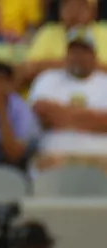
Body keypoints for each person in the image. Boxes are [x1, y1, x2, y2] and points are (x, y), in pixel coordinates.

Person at [29, 29, 107, 174]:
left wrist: (63, 115)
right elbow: (43, 114)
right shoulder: (48, 78)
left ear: (94, 55)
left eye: (84, 52)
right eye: (74, 52)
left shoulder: (104, 82)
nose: (79, 57)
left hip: (101, 158)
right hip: (54, 157)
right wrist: (94, 119)